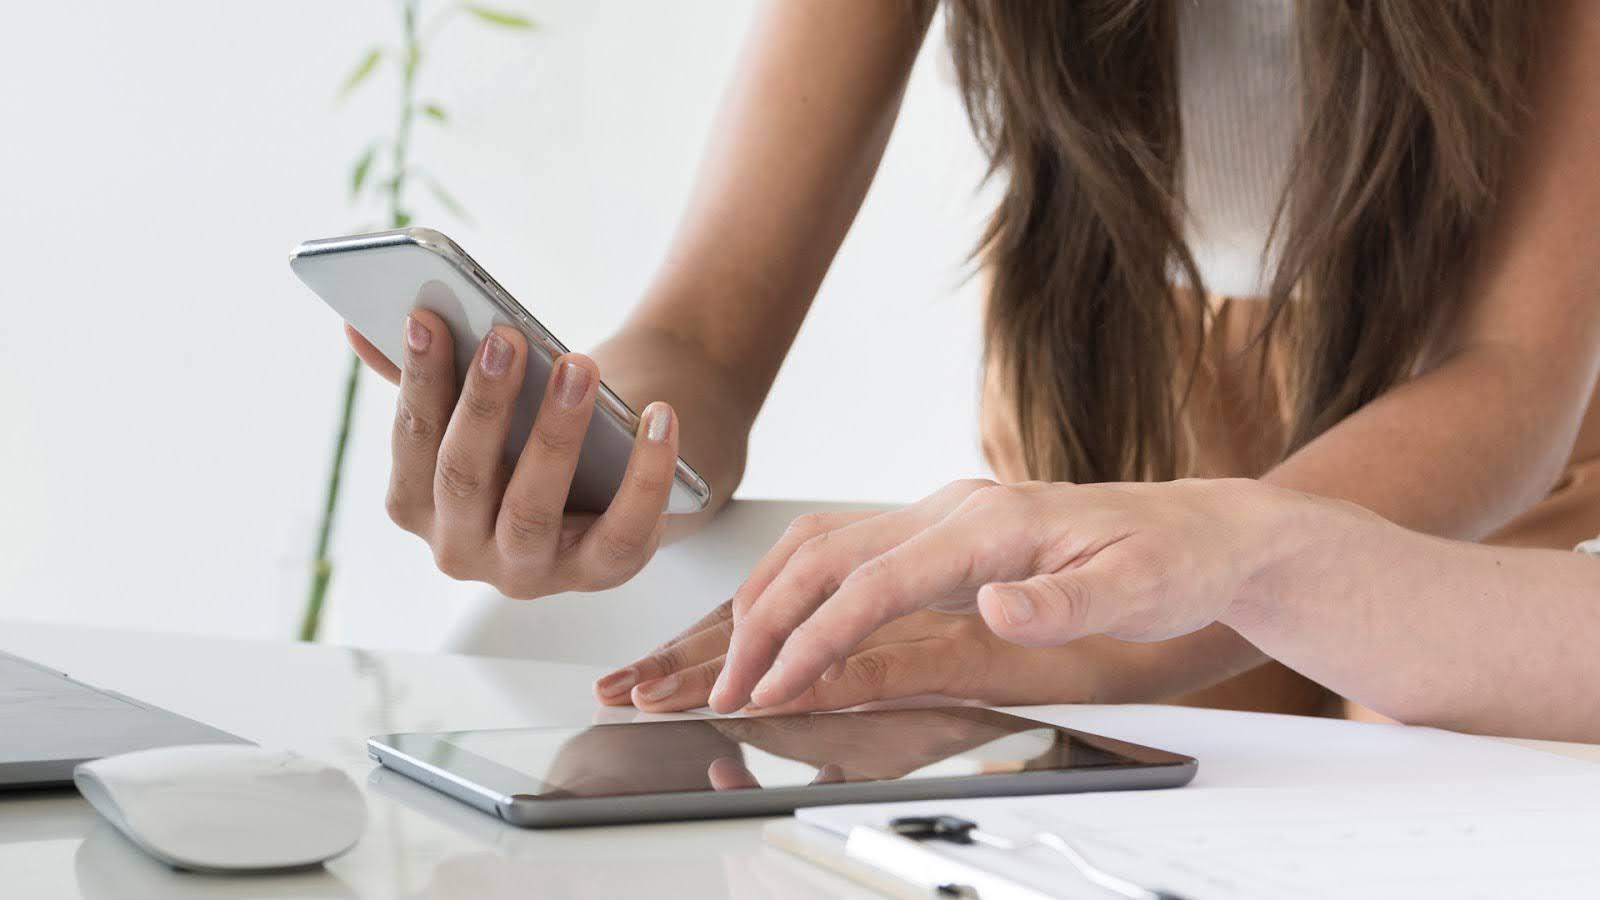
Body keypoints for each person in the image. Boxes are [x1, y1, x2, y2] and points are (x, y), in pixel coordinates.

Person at [347, 2, 1600, 735]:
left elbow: (1516, 368)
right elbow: (709, 333)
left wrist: (1153, 609)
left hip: (1458, 500)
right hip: (1107, 422)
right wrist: (597, 445)